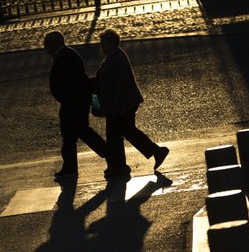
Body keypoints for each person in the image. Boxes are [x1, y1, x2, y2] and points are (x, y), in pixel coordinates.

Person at [94, 29, 169, 179]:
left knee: (116, 135)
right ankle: (153, 153)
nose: (101, 46)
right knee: (126, 132)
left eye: (103, 44)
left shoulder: (117, 59)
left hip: (123, 104)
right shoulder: (113, 57)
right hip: (121, 104)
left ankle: (119, 166)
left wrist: (117, 109)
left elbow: (121, 86)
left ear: (111, 44)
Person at [44, 31, 108, 178]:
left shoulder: (66, 56)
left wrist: (67, 99)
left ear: (55, 43)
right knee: (69, 136)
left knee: (82, 132)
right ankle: (70, 167)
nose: (45, 47)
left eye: (47, 43)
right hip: (70, 102)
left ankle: (109, 153)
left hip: (74, 103)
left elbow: (72, 82)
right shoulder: (64, 54)